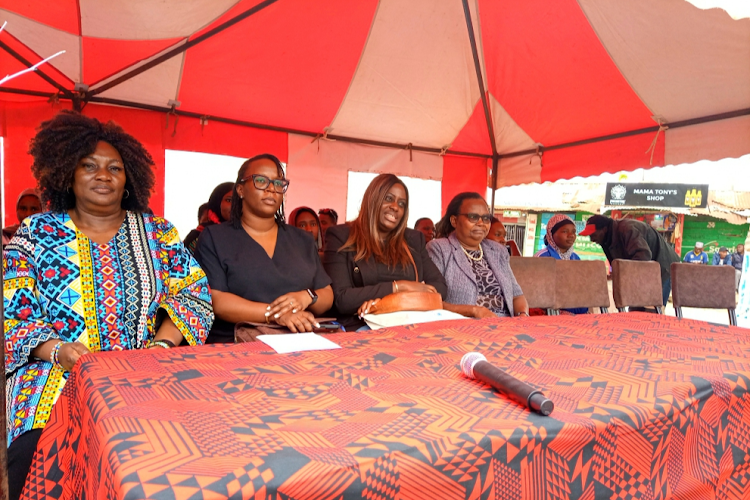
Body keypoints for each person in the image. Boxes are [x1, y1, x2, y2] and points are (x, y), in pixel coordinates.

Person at [3, 111, 213, 500]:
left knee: (180, 454)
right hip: (53, 374)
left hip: (142, 371)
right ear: (68, 173)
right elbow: (12, 313)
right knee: (35, 453)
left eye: (114, 167)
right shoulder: (33, 233)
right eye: (90, 166)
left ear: (128, 178)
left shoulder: (158, 232)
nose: (103, 175)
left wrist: (162, 347)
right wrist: (58, 350)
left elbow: (192, 295)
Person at [195, 154, 334, 342]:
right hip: (237, 344)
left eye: (278, 183)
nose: (271, 189)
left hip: (300, 341)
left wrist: (307, 297)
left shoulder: (302, 240)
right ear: (241, 190)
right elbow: (216, 300)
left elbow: (327, 293)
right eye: (261, 180)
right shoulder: (215, 238)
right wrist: (275, 314)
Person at [323, 174, 446, 330]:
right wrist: (398, 287)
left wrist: (387, 303)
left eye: (402, 204)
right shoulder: (341, 236)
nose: (395, 207)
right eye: (388, 198)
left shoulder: (414, 240)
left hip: (412, 322)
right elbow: (341, 299)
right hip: (363, 326)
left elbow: (440, 287)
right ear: (373, 198)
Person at [428, 192, 528, 319]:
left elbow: (517, 295)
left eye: (486, 218)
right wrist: (474, 311)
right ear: (454, 220)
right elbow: (430, 300)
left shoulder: (498, 251)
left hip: (505, 325)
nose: (481, 223)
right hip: (463, 326)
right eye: (473, 217)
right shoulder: (439, 249)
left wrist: (522, 316)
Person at [581, 214, 680, 306]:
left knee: (652, 309)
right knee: (636, 308)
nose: (591, 239)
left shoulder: (627, 229)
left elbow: (643, 256)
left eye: (593, 235)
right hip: (646, 270)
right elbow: (616, 264)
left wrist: (624, 275)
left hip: (663, 266)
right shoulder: (605, 239)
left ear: (604, 229)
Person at [533, 214, 587, 314]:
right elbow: (537, 293)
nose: (571, 235)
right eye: (565, 231)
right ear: (551, 234)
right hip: (548, 311)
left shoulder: (576, 258)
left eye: (574, 232)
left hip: (576, 309)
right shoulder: (542, 257)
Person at [183, 182, 235, 254]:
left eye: (239, 201)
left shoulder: (247, 235)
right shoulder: (200, 236)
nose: (234, 205)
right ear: (217, 202)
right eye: (229, 200)